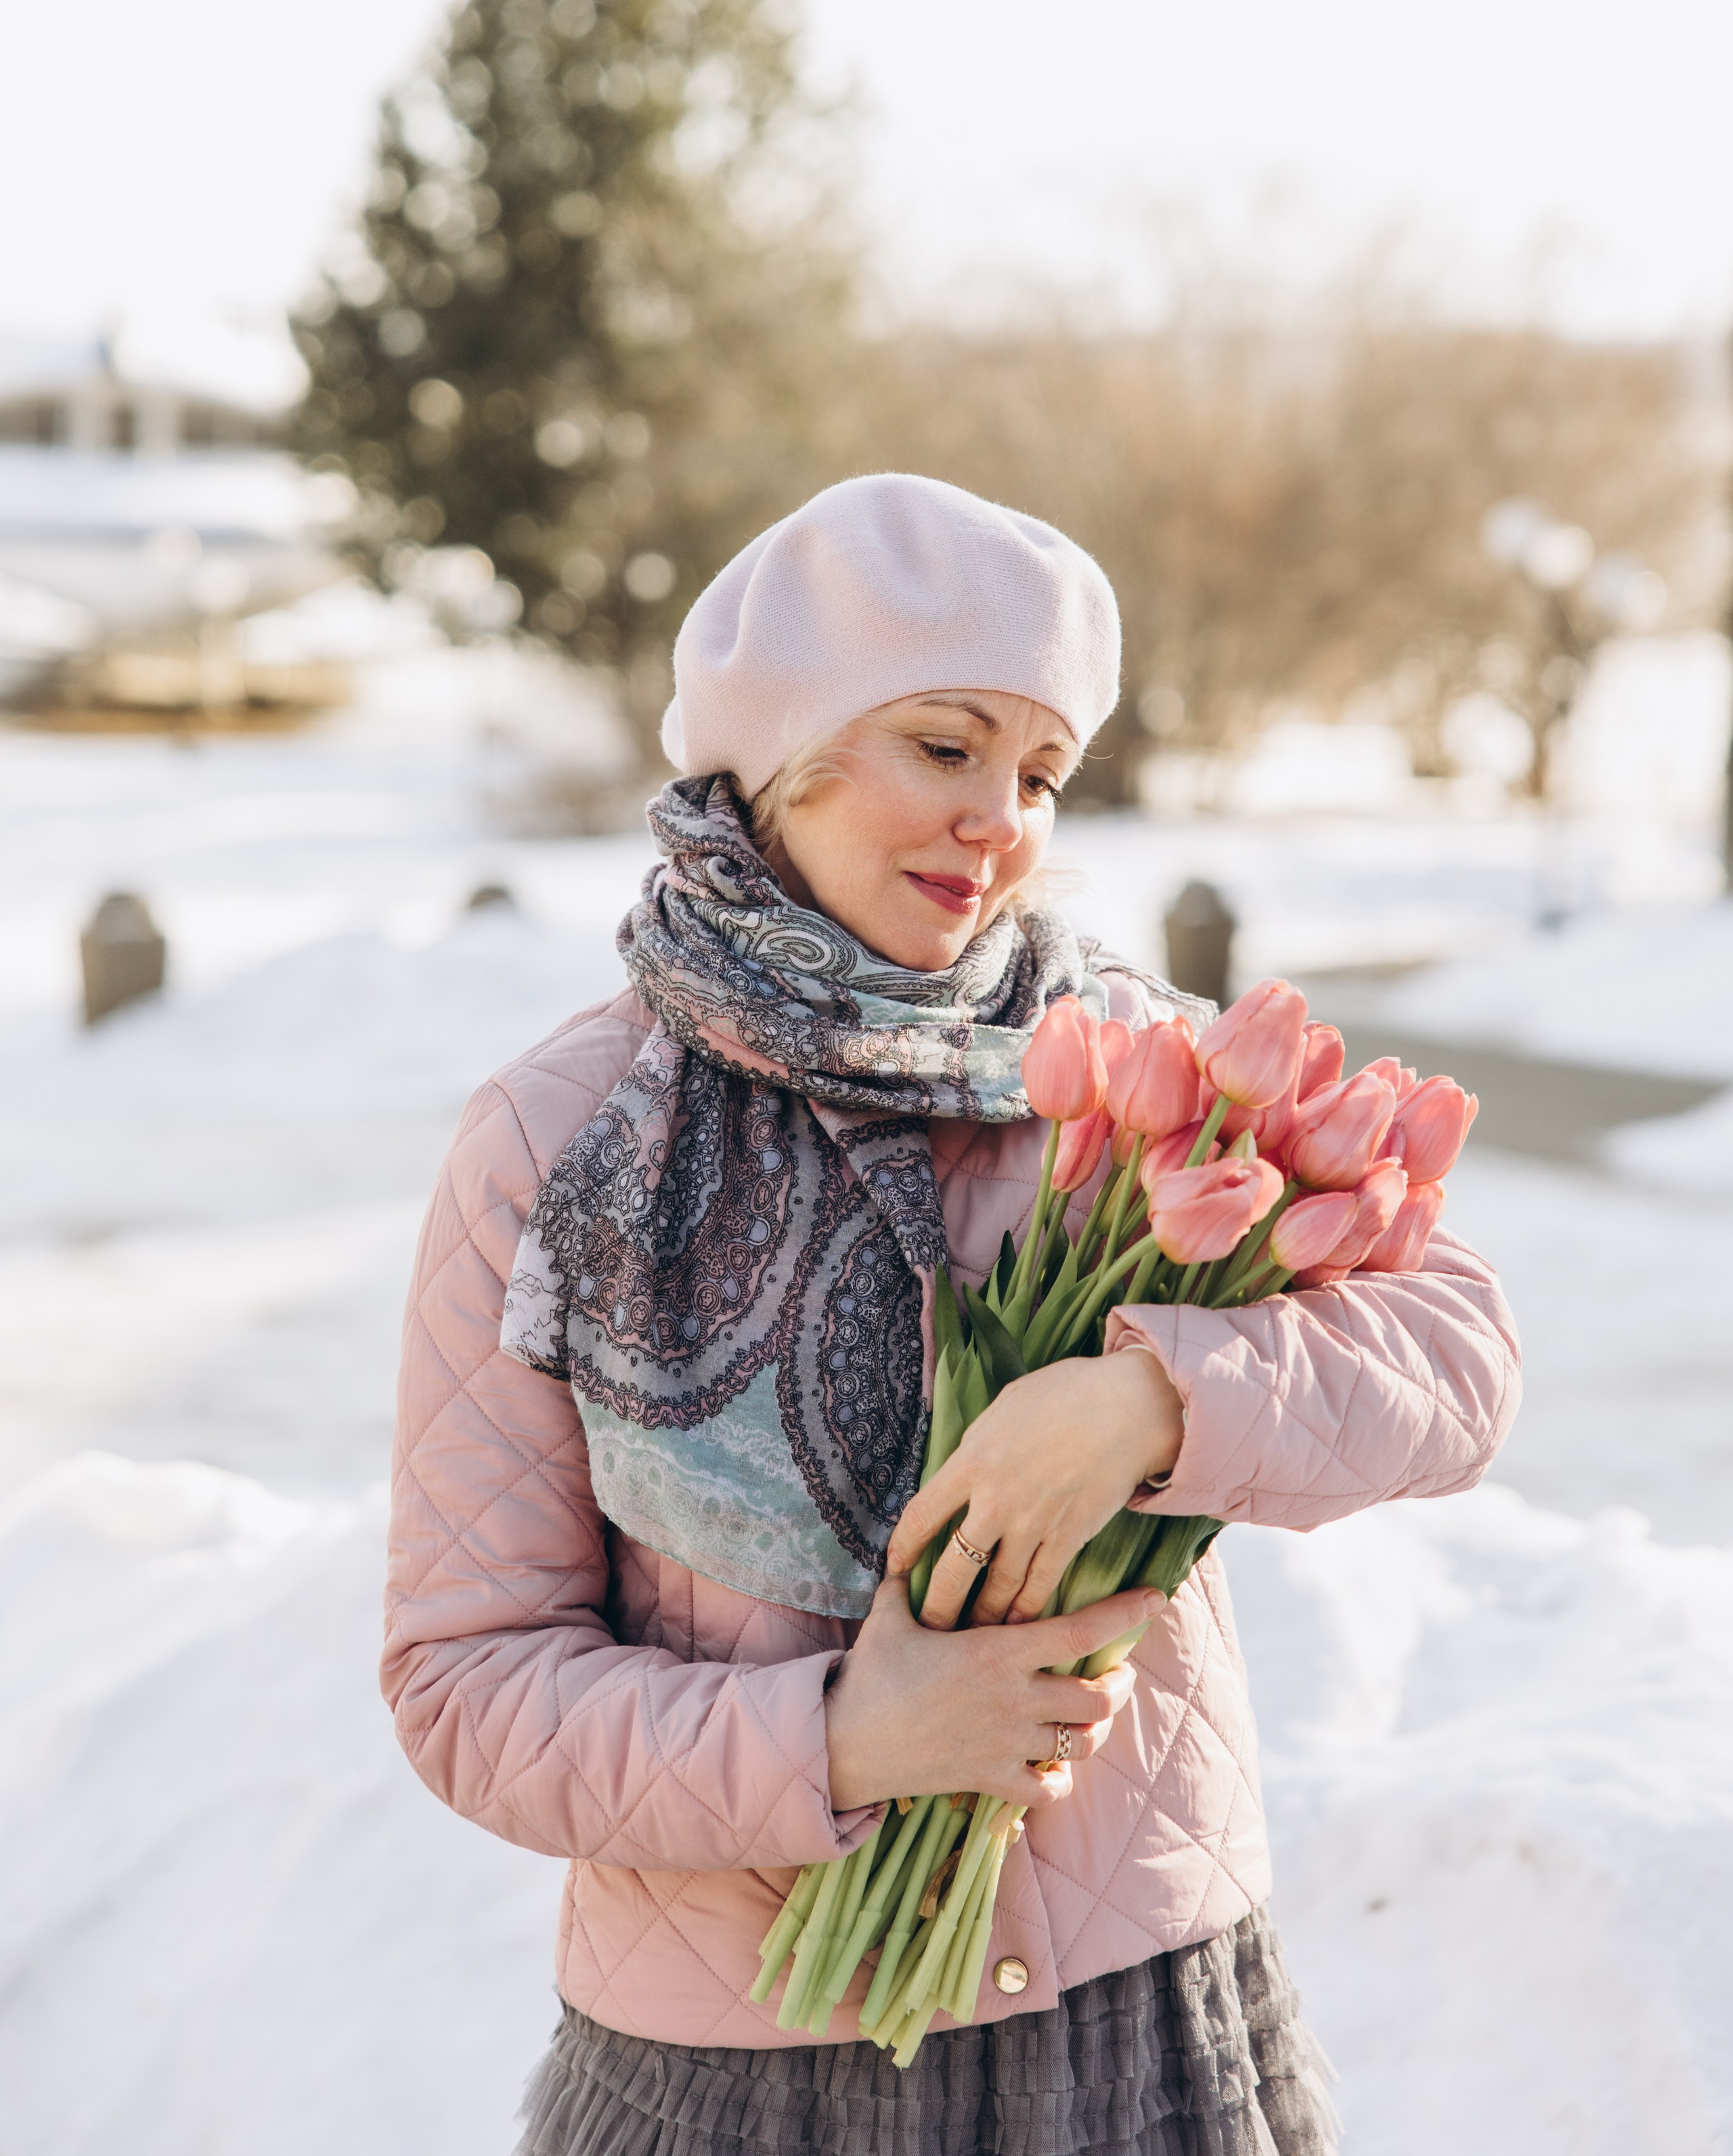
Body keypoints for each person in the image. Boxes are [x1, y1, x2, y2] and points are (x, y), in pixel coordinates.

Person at [382, 474, 1520, 2156]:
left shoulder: (1136, 1074)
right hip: (728, 2071)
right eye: (942, 744)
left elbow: (1460, 1356)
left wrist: (1146, 1405)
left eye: (1041, 771)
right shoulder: (558, 1138)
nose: (999, 817)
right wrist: (843, 1736)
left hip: (1138, 2029)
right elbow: (466, 1682)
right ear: (786, 750)